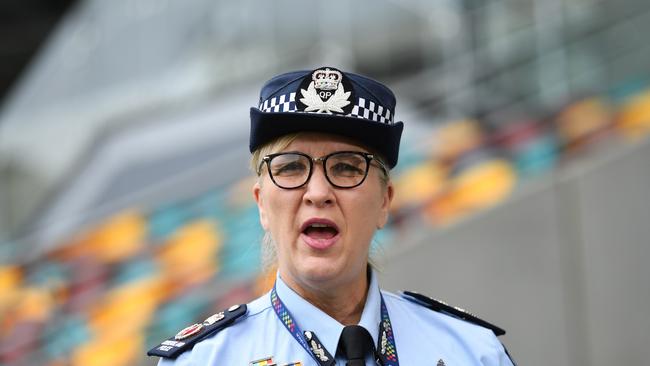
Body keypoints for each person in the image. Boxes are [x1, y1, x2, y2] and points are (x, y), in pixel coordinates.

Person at [148, 67, 516, 365]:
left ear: (385, 202)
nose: (319, 193)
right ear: (261, 203)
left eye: (346, 167)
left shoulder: (472, 352)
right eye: (291, 167)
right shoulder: (205, 360)